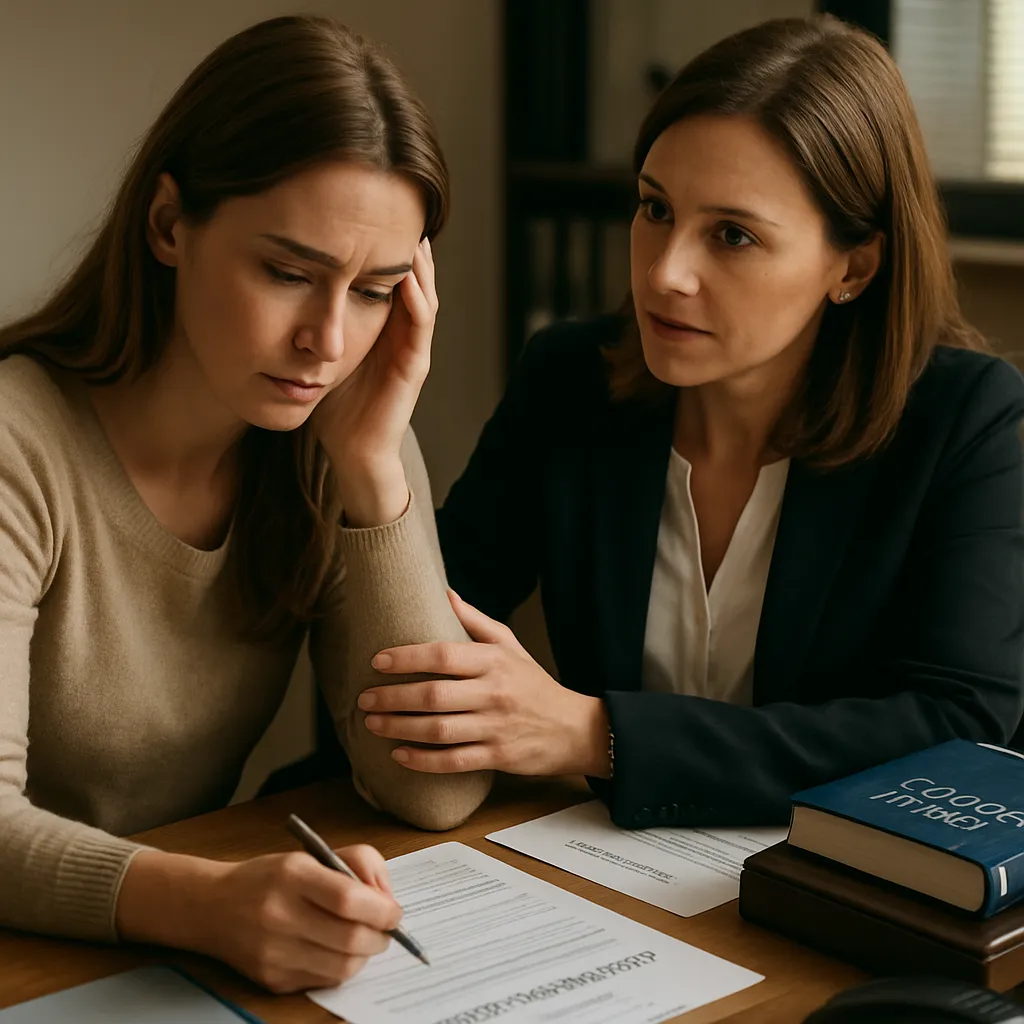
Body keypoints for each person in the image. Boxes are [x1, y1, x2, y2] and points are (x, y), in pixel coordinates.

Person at [356, 15, 1024, 829]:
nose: (665, 273)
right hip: (610, 881)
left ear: (853, 266)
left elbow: (953, 728)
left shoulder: (967, 422)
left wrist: (597, 736)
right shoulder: (570, 380)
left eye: (733, 235)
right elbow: (418, 652)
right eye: (655, 209)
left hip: (844, 896)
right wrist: (373, 458)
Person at [0, 15, 488, 994]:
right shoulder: (19, 443)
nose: (327, 339)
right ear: (170, 223)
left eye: (375, 290)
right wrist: (206, 902)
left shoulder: (338, 429)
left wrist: (371, 463)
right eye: (288, 272)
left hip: (149, 969)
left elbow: (433, 790)